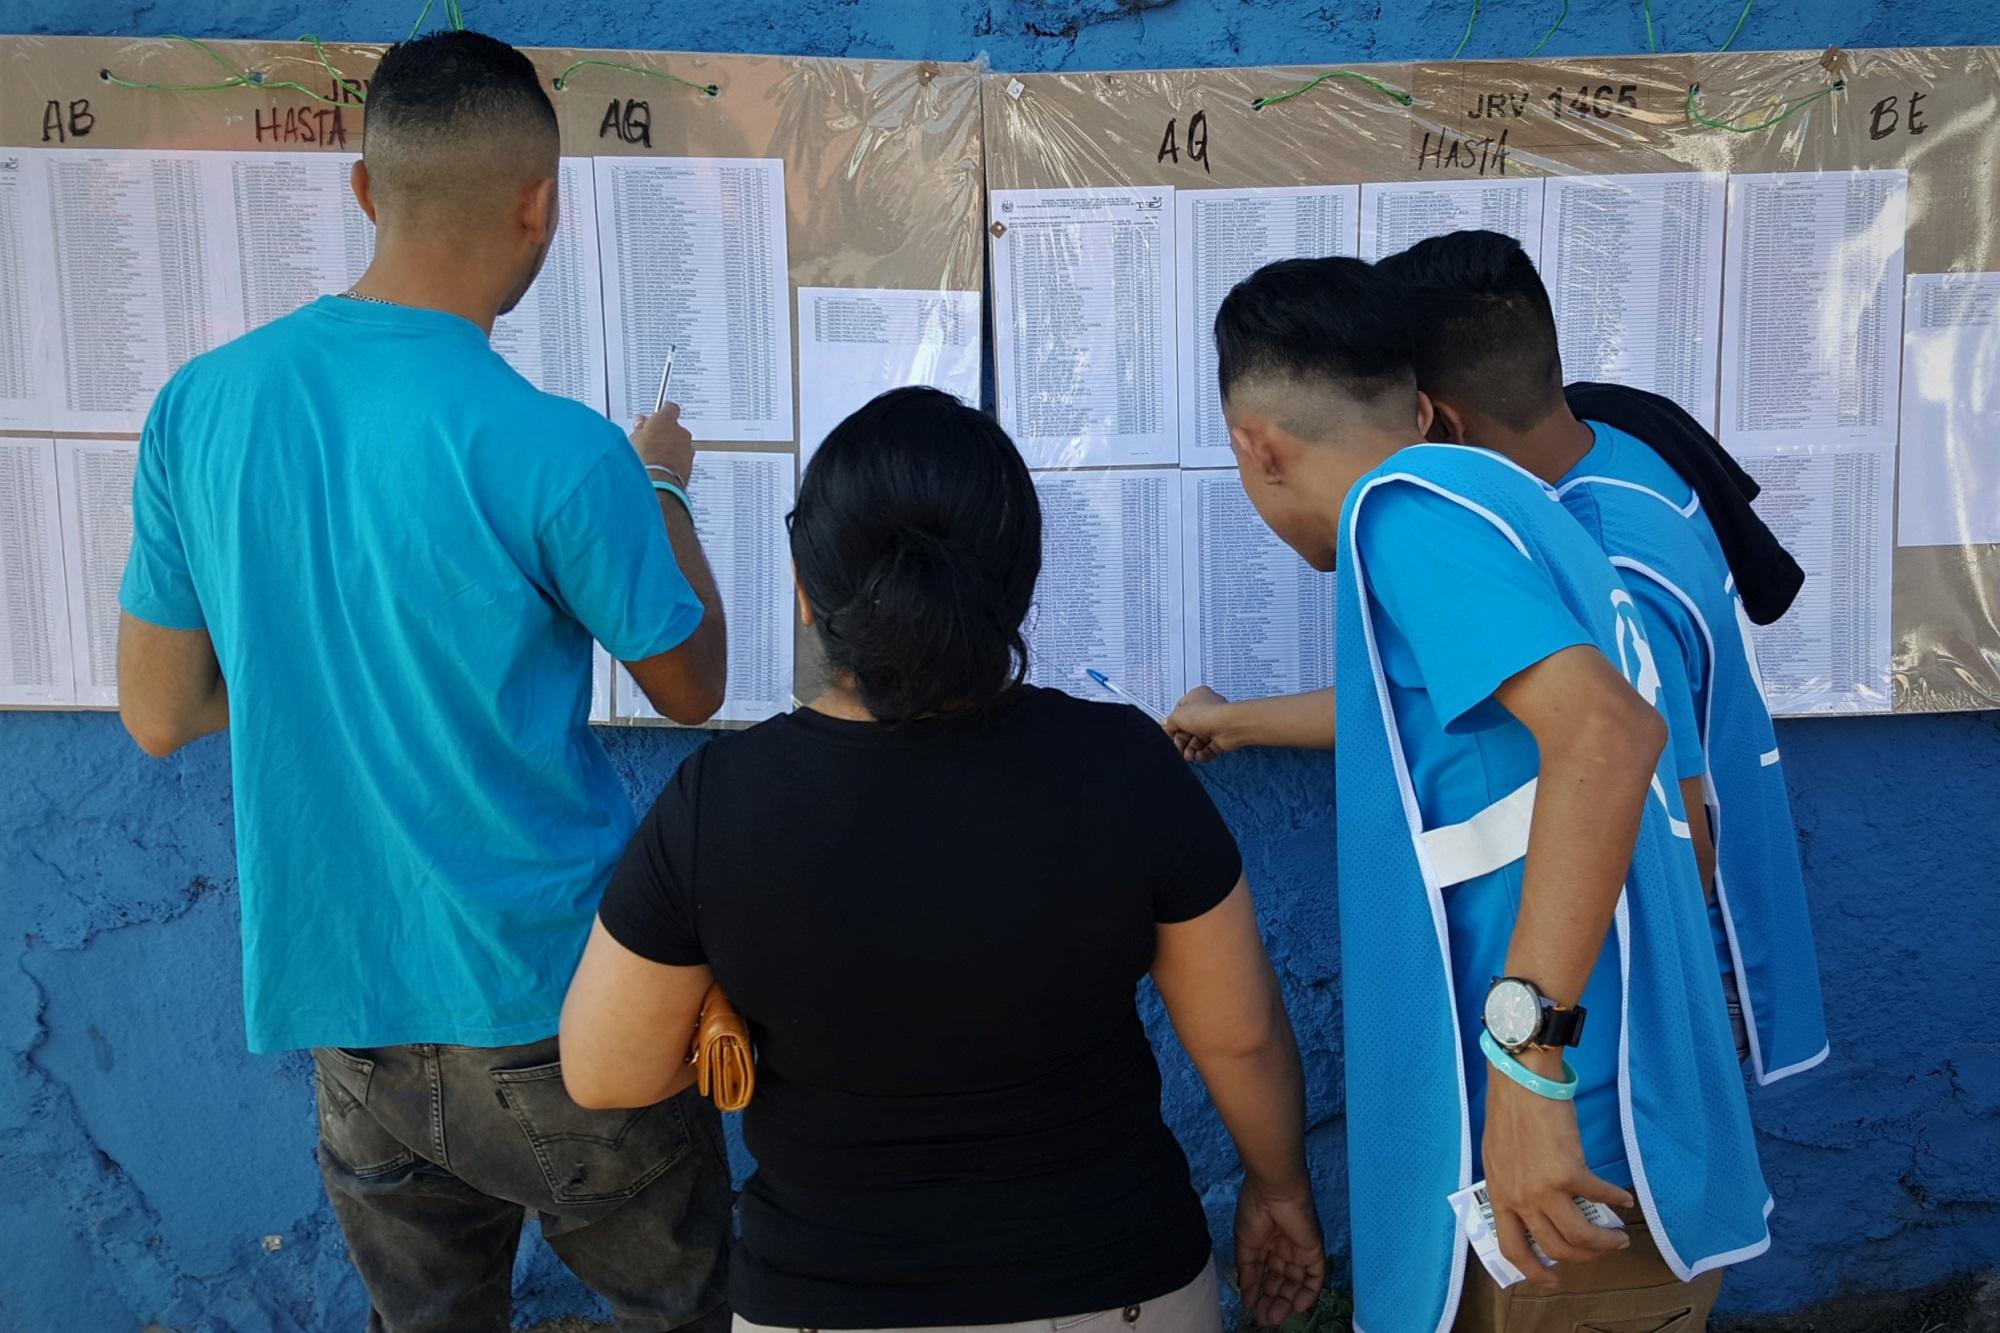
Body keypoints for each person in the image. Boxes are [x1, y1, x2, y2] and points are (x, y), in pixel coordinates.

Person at [115, 30, 733, 1333]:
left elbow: (159, 710)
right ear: (541, 203)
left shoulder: (200, 408)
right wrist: (662, 483)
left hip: (349, 1020)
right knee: (680, 1312)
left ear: (361, 191)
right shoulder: (563, 452)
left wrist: (307, 676)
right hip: (560, 1006)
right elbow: (691, 684)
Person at [560, 387, 1325, 1333]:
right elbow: (1241, 1038)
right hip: (1120, 1289)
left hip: (824, 1301)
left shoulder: (717, 801)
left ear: (806, 588)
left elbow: (603, 1070)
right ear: (1021, 581)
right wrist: (1281, 1188)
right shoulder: (1126, 763)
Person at [1209, 257, 1772, 1333]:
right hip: (1624, 1129)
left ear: (1255, 444)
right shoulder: (1515, 507)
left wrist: (1528, 1068)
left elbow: (1608, 736)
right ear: (1415, 407)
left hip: (1560, 1159)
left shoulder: (1402, 516)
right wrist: (1233, 720)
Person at [1170, 231, 1829, 1087]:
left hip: (1627, 1012)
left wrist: (1535, 1055)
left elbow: (1671, 825)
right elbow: (1455, 687)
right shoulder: (1618, 456)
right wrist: (1239, 721)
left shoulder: (1586, 553)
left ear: (1431, 419)